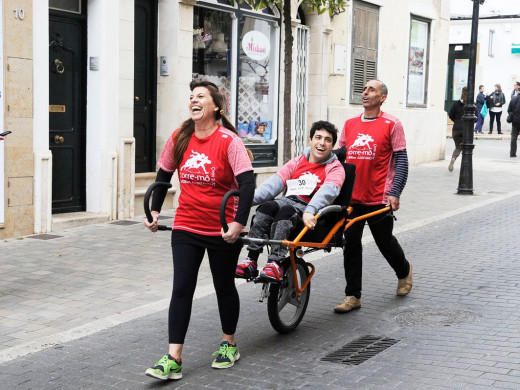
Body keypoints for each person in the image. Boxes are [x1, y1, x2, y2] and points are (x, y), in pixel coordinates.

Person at [143, 80, 255, 380]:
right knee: (181, 289)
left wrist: (238, 223)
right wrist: (154, 210)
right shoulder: (180, 137)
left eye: (200, 96)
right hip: (187, 224)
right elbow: (164, 175)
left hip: (222, 228)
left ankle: (229, 343)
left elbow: (247, 184)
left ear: (215, 106)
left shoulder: (229, 141)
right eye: (191, 96)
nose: (193, 100)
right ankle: (173, 357)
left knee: (223, 286)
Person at [334, 79, 412, 314]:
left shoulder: (392, 124)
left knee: (384, 242)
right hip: (352, 198)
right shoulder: (349, 124)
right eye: (364, 89)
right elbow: (341, 158)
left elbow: (401, 160)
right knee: (351, 244)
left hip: (379, 197)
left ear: (382, 97)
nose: (365, 92)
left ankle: (404, 270)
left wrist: (395, 192)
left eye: (371, 90)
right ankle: (353, 295)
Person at [235, 121, 345, 281]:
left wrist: (310, 211)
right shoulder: (298, 161)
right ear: (311, 140)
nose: (322, 143)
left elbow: (328, 192)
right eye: (318, 137)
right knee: (265, 207)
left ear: (332, 145)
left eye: (327, 140)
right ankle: (251, 259)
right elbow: (274, 184)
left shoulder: (335, 168)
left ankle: (275, 262)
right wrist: (243, 201)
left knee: (284, 212)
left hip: (308, 207)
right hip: (287, 200)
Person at [448, 86, 467, 172]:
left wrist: (456, 120)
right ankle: (465, 165)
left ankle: (453, 158)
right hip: (466, 129)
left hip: (456, 128)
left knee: (458, 147)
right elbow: (476, 118)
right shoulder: (471, 104)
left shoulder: (456, 104)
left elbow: (451, 114)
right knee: (467, 147)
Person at [508, 94, 520, 158]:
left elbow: (509, 110)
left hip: (515, 121)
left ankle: (512, 153)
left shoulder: (514, 98)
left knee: (513, 137)